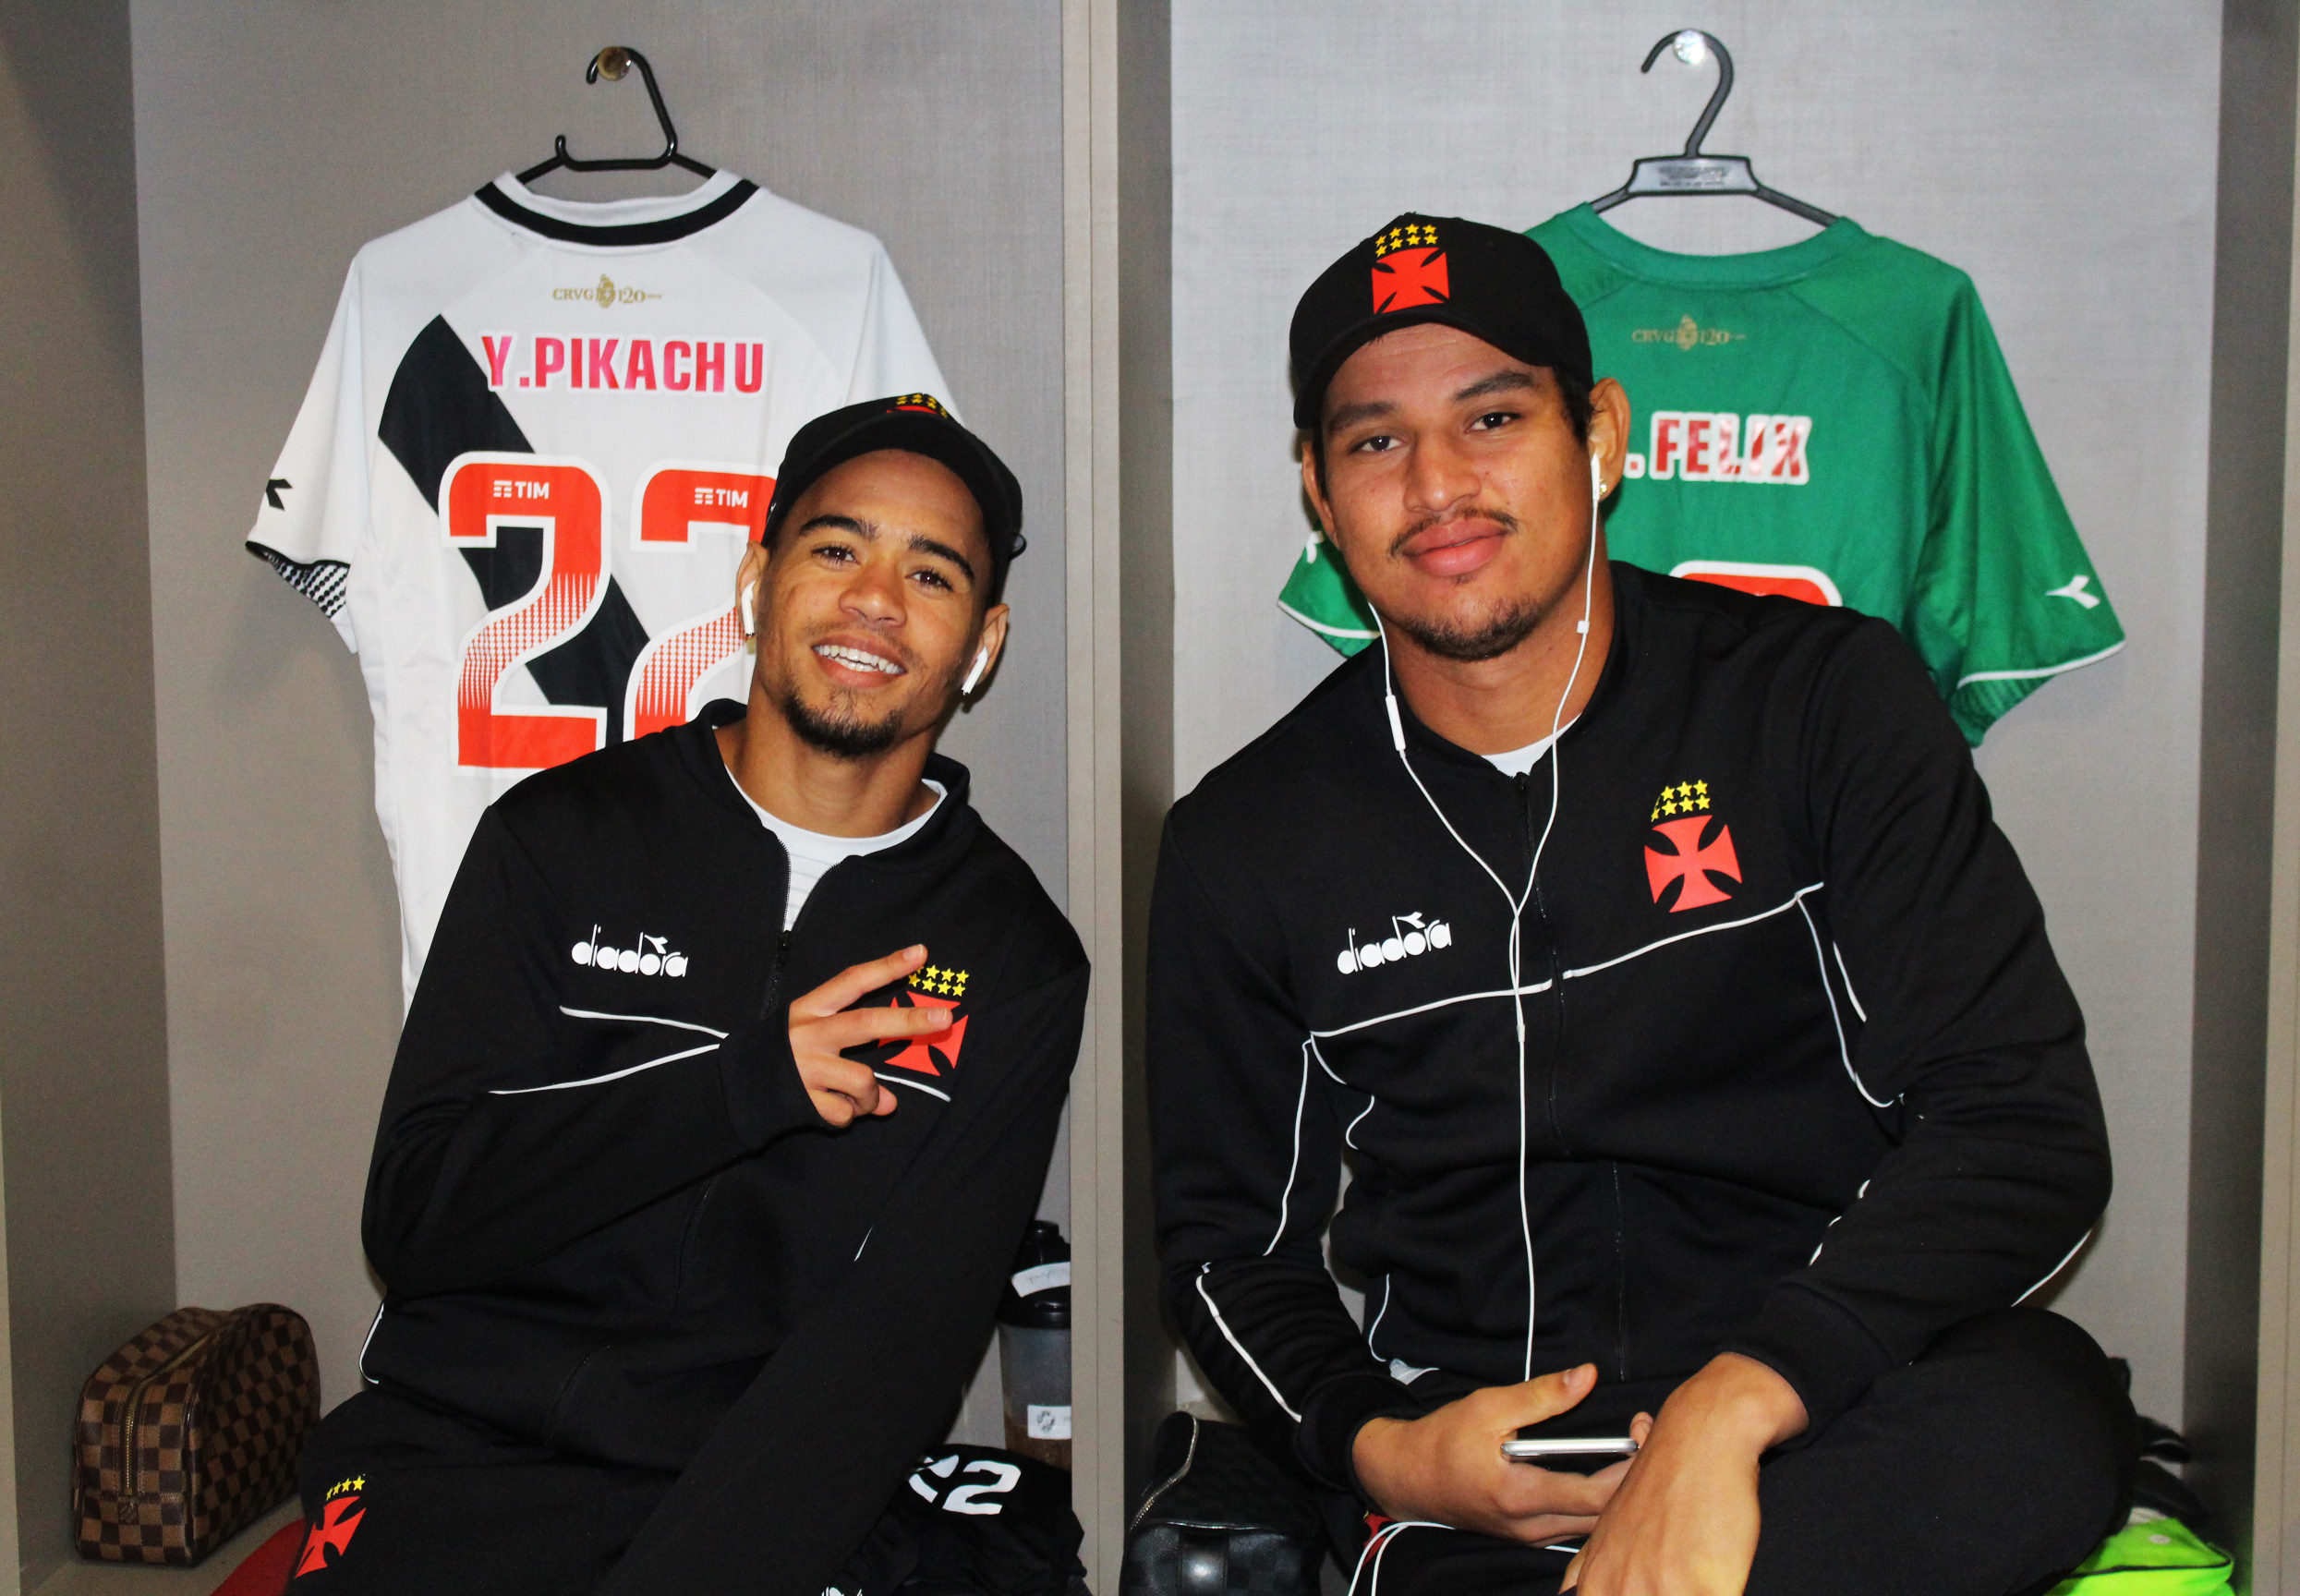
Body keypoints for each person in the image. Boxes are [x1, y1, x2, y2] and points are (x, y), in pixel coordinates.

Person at [1147, 216, 2133, 1596]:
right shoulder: (1241, 841)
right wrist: (1385, 1453)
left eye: (1493, 417)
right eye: (1375, 441)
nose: (1438, 484)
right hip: (1494, 1472)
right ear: (1319, 488)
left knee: (2038, 1414)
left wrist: (1733, 1408)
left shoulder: (1821, 700)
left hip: (1820, 1409)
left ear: (1599, 435)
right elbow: (1226, 1251)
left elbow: (2020, 1123)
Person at [296, 394, 1089, 1596]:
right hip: (463, 1456)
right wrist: (739, 1088)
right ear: (758, 584)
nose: (876, 599)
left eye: (932, 574)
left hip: (767, 1495)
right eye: (837, 548)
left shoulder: (1016, 955)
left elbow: (898, 1356)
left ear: (984, 642)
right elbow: (413, 1223)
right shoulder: (559, 838)